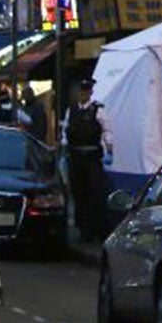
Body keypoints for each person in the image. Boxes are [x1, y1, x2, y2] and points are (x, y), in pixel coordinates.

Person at [62, 75, 112, 242]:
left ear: (91, 92)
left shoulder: (98, 110)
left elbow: (106, 131)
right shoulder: (72, 110)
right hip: (75, 157)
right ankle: (84, 230)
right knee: (79, 193)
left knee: (96, 193)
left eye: (86, 91)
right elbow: (65, 131)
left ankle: (98, 228)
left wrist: (109, 148)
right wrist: (63, 147)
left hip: (92, 157)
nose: (83, 94)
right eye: (81, 91)